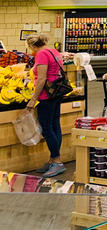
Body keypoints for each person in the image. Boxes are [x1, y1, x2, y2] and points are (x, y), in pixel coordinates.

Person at [25, 34, 66, 178]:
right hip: (57, 93)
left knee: (47, 128)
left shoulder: (41, 54)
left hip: (46, 95)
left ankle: (57, 161)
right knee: (55, 126)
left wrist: (33, 99)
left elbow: (42, 78)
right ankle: (52, 159)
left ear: (32, 46)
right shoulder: (53, 51)